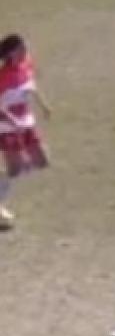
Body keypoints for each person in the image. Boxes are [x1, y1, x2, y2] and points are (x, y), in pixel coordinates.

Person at [0, 36, 52, 232]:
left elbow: (31, 86)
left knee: (42, 161)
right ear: (11, 53)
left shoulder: (25, 65)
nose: (26, 51)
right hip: (6, 127)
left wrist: (44, 105)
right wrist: (11, 120)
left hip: (26, 124)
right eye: (22, 48)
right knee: (16, 169)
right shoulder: (3, 77)